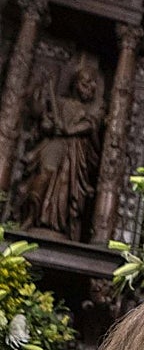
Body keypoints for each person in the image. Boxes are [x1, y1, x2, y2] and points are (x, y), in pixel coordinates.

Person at [18, 55, 106, 241]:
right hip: (54, 145)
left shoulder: (92, 111)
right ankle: (31, 217)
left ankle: (61, 227)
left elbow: (89, 127)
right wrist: (49, 124)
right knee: (44, 174)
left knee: (65, 188)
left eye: (92, 86)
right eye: (84, 84)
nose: (89, 89)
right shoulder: (59, 102)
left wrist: (68, 129)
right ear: (75, 84)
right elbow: (44, 123)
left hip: (74, 155)